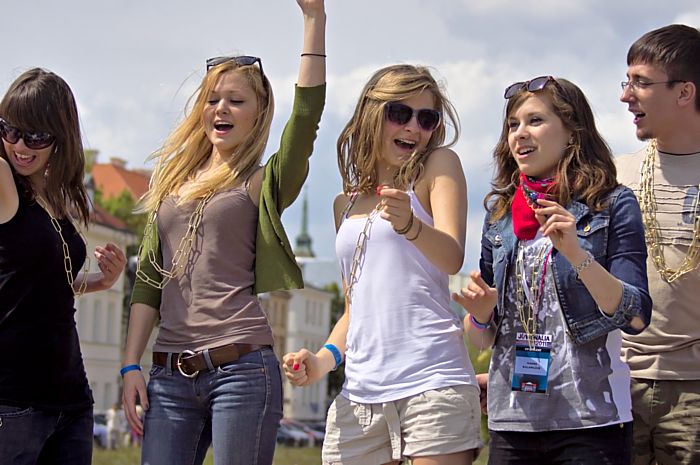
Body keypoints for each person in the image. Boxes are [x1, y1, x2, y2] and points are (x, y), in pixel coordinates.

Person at [120, 1, 326, 464]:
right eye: (213, 99)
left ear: (258, 113)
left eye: (236, 100)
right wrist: (131, 363)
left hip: (243, 371)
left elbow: (306, 118)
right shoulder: (169, 184)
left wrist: (315, 21)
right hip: (168, 378)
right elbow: (148, 283)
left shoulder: (261, 181)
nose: (221, 109)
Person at [284, 64, 482, 465]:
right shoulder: (345, 203)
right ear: (373, 115)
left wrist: (410, 224)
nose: (413, 127)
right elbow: (355, 308)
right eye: (400, 113)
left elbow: (451, 255)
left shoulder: (438, 166)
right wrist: (320, 362)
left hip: (434, 381)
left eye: (426, 118)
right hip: (360, 395)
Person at [453, 76, 652, 465]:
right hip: (512, 420)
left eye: (535, 121)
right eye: (513, 125)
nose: (519, 134)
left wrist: (577, 253)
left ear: (572, 133)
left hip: (592, 420)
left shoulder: (612, 204)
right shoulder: (499, 216)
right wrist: (479, 316)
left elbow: (636, 316)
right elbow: (482, 338)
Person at [0, 68, 127, 465]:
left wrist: (100, 281)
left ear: (61, 137)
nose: (19, 145)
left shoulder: (55, 198)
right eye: (9, 130)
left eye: (36, 135)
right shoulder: (4, 181)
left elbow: (39, 287)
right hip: (13, 399)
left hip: (71, 399)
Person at [617, 24, 700, 465]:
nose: (626, 96)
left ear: (685, 92)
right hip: (615, 384)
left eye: (641, 83)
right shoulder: (612, 176)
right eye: (626, 81)